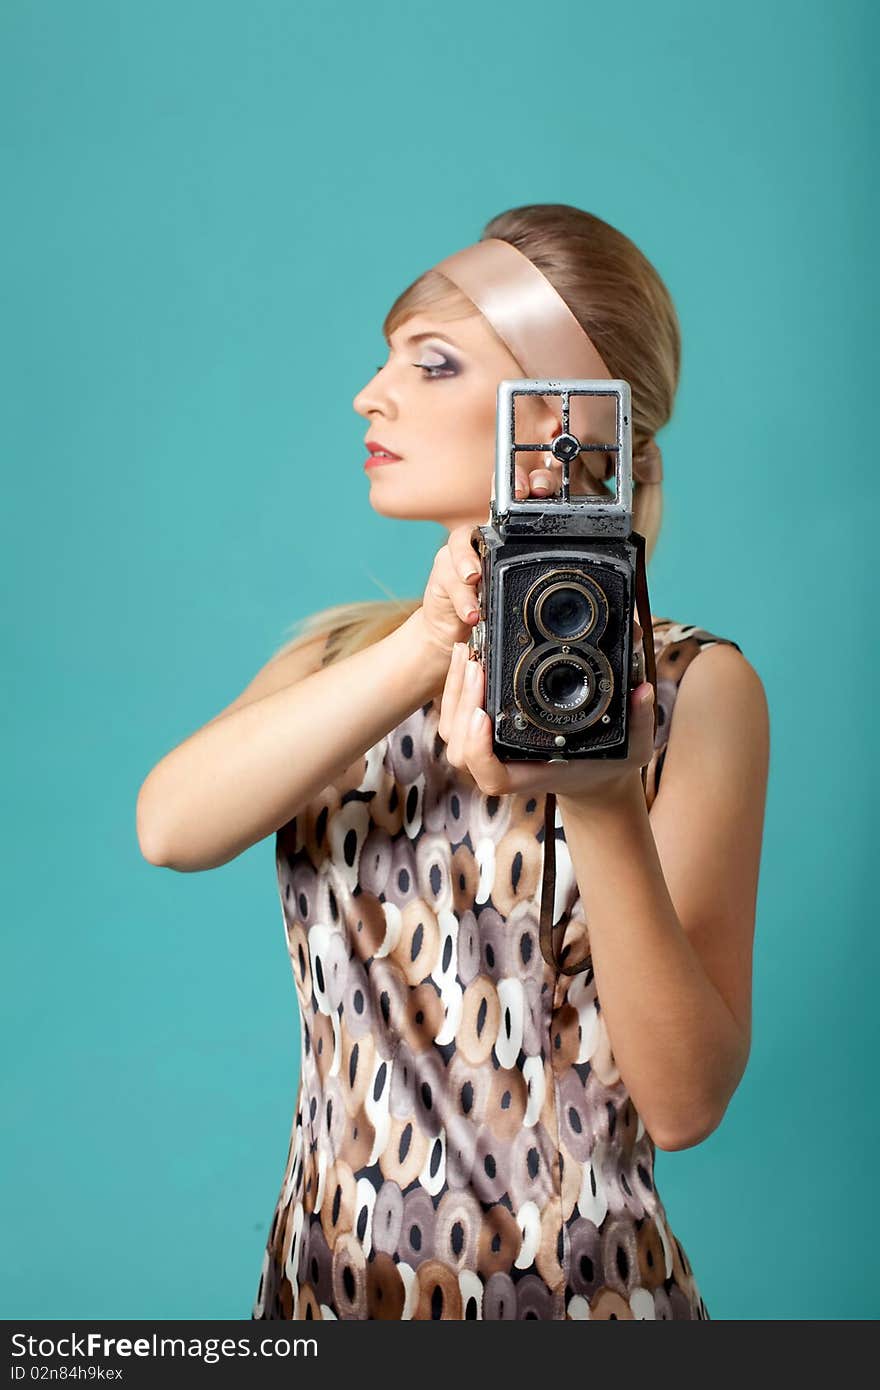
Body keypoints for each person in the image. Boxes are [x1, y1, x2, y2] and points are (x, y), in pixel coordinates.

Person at [136, 203, 770, 1321]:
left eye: (431, 363)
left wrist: (601, 798)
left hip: (584, 1303)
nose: (369, 394)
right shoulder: (335, 661)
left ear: (569, 415)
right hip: (321, 1296)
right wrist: (422, 646)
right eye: (388, 358)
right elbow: (169, 827)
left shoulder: (688, 691)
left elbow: (683, 1103)